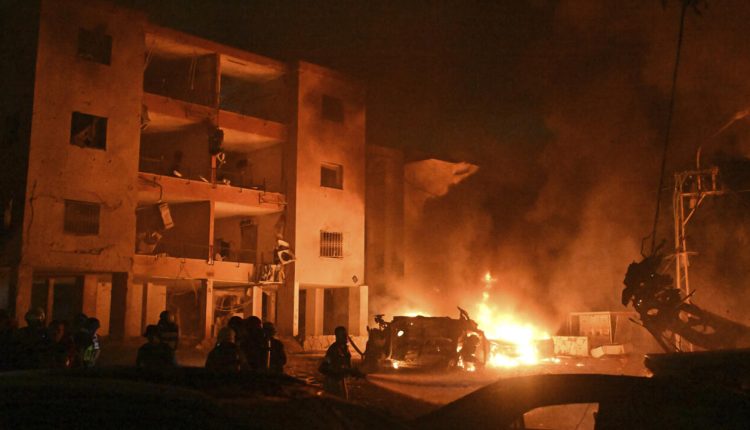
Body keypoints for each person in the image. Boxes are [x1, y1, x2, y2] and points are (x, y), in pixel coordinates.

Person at [319, 326, 362, 399]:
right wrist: (337, 370)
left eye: (346, 334)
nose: (346, 337)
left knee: (343, 400)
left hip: (341, 381)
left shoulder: (345, 349)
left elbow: (348, 367)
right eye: (343, 335)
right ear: (337, 336)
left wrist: (355, 372)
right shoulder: (333, 350)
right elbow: (323, 367)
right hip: (332, 383)